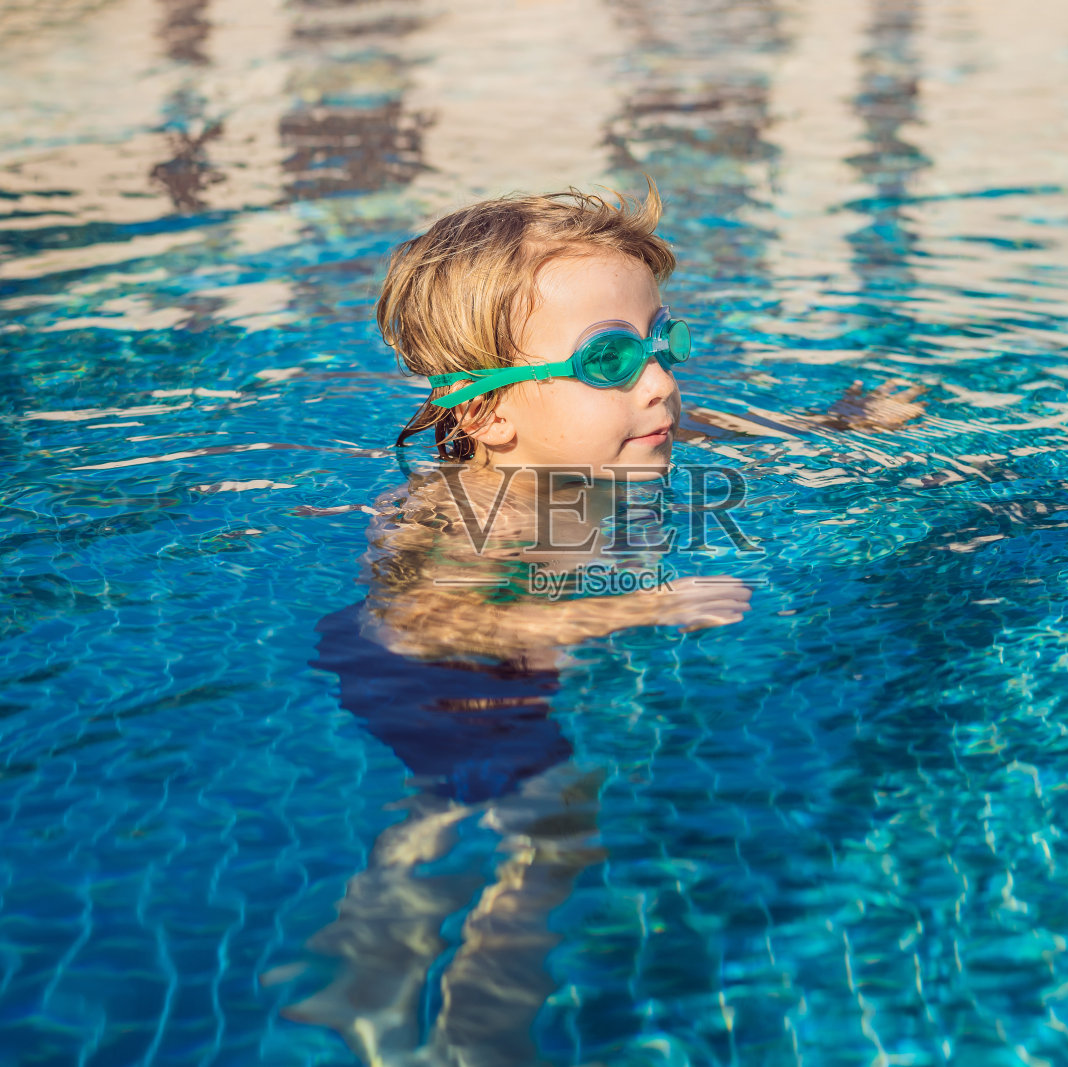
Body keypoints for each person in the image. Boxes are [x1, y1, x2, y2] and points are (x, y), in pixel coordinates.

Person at [280, 186, 752, 1066]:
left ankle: (365, 960)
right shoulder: (478, 513)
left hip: (495, 671)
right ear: (489, 412)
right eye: (610, 362)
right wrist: (641, 606)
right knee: (558, 828)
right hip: (435, 676)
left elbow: (740, 430)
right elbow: (432, 617)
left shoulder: (608, 441)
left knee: (438, 810)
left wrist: (845, 423)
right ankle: (480, 1036)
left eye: (663, 341)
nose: (663, 381)